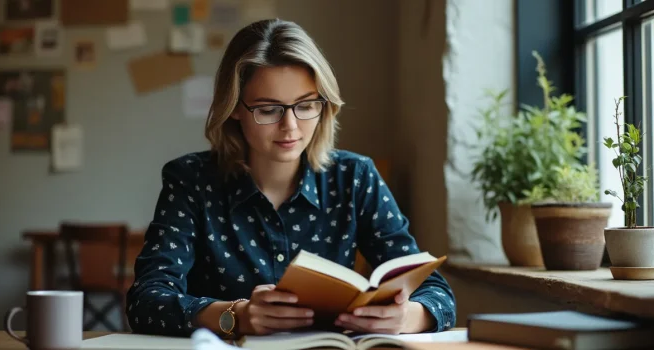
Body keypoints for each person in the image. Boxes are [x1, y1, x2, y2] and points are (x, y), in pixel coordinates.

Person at [126, 18, 457, 338]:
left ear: (324, 104)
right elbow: (146, 300)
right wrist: (235, 315)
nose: (291, 127)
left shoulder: (355, 177)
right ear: (235, 108)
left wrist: (407, 316)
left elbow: (437, 294)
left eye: (305, 105)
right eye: (269, 109)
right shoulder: (191, 180)